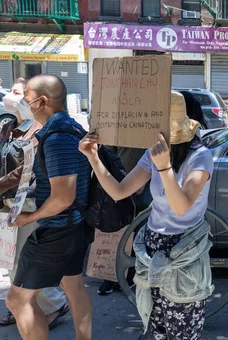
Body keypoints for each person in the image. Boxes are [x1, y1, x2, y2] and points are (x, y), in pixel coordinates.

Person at [78, 91, 214, 340]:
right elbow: (119, 191)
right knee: (157, 325)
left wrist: (164, 167)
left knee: (184, 329)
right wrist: (93, 158)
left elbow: (181, 207)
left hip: (185, 247)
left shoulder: (200, 157)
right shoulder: (153, 154)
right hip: (152, 244)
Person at [6, 75, 93, 340]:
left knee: (17, 300)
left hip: (58, 230)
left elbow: (63, 196)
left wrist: (30, 216)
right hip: (75, 225)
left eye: (27, 99)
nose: (23, 103)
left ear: (42, 101)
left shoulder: (57, 138)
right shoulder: (72, 127)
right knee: (74, 286)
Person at [0, 80, 69, 329]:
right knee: (10, 259)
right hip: (6, 205)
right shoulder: (7, 125)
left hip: (28, 204)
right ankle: (23, 306)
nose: (13, 96)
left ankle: (47, 305)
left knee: (25, 262)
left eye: (21, 94)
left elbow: (24, 172)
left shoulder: (39, 130)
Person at [97, 146, 151, 296]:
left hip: (141, 185)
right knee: (115, 230)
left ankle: (129, 275)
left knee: (137, 232)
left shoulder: (152, 129)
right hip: (117, 182)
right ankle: (110, 275)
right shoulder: (116, 126)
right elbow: (107, 152)